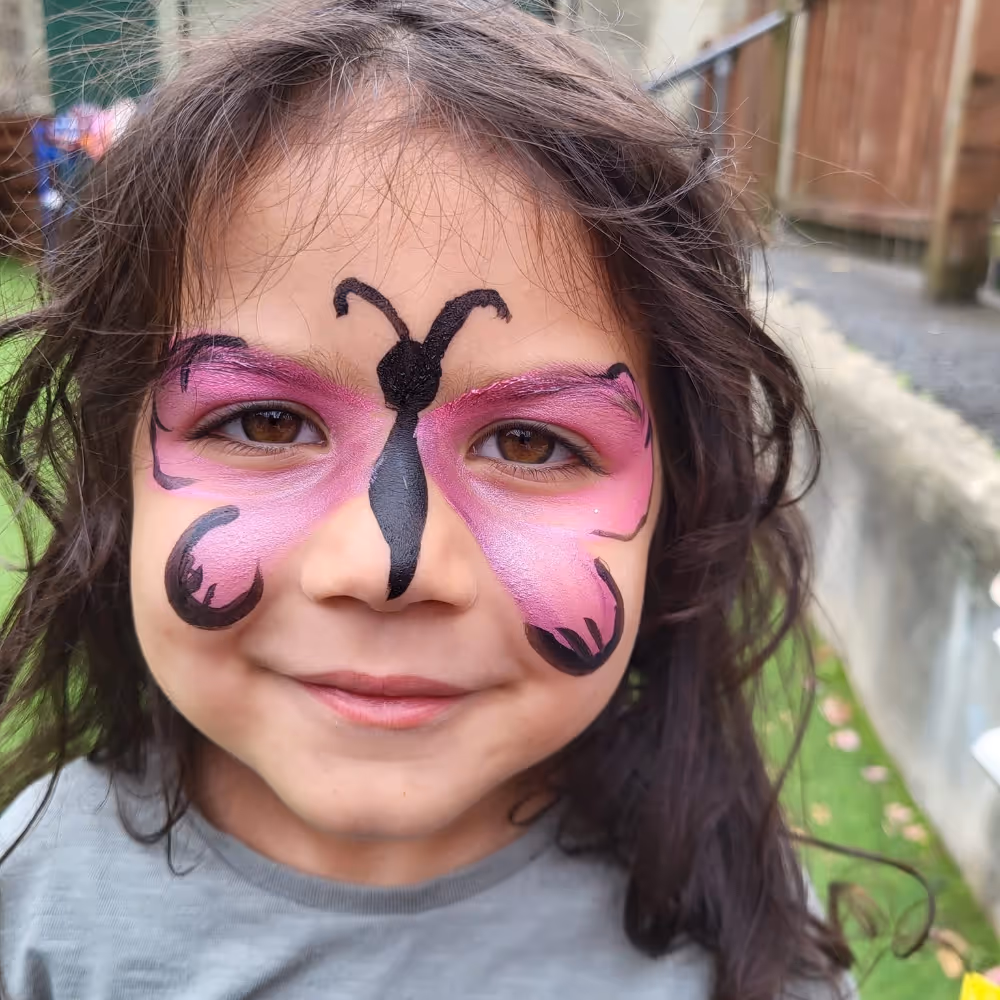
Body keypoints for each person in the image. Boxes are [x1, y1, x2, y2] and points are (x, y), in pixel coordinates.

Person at [0, 1, 856, 997]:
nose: (384, 567)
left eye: (531, 443)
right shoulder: (35, 905)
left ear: (678, 509)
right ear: (119, 471)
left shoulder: (735, 929)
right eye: (265, 423)